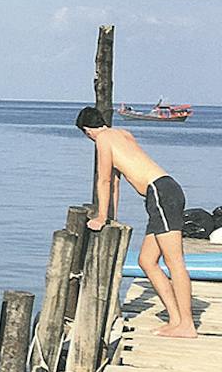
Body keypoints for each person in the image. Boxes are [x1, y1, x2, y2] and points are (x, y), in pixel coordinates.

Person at [78, 106, 197, 338]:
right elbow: (115, 181)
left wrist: (101, 217)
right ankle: (175, 319)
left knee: (175, 262)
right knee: (147, 261)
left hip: (160, 193)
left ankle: (187, 324)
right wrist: (110, 216)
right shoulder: (122, 133)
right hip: (163, 191)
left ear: (87, 131)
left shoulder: (102, 140)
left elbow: (103, 180)